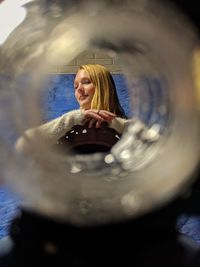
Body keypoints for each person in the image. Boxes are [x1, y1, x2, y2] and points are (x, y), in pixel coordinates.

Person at [15, 64, 128, 153]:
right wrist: (71, 119)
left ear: (103, 87)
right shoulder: (69, 125)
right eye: (75, 86)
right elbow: (23, 145)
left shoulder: (124, 126)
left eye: (86, 82)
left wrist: (113, 123)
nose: (79, 89)